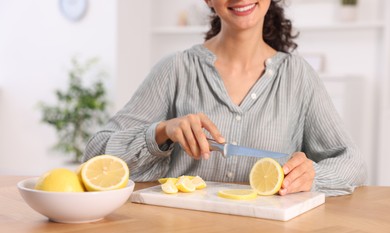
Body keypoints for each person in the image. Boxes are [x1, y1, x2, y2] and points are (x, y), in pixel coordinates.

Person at [83, 0, 367, 196]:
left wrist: (312, 176)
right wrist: (161, 131)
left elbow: (351, 161)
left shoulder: (298, 76)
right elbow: (96, 154)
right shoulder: (175, 70)